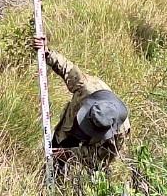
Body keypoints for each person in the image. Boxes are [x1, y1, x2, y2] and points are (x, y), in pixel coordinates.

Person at [32, 36, 130, 169]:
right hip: (68, 129)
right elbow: (67, 69)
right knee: (54, 156)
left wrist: (71, 155)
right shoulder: (88, 88)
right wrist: (47, 52)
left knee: (91, 173)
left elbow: (99, 158)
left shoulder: (118, 135)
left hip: (91, 145)